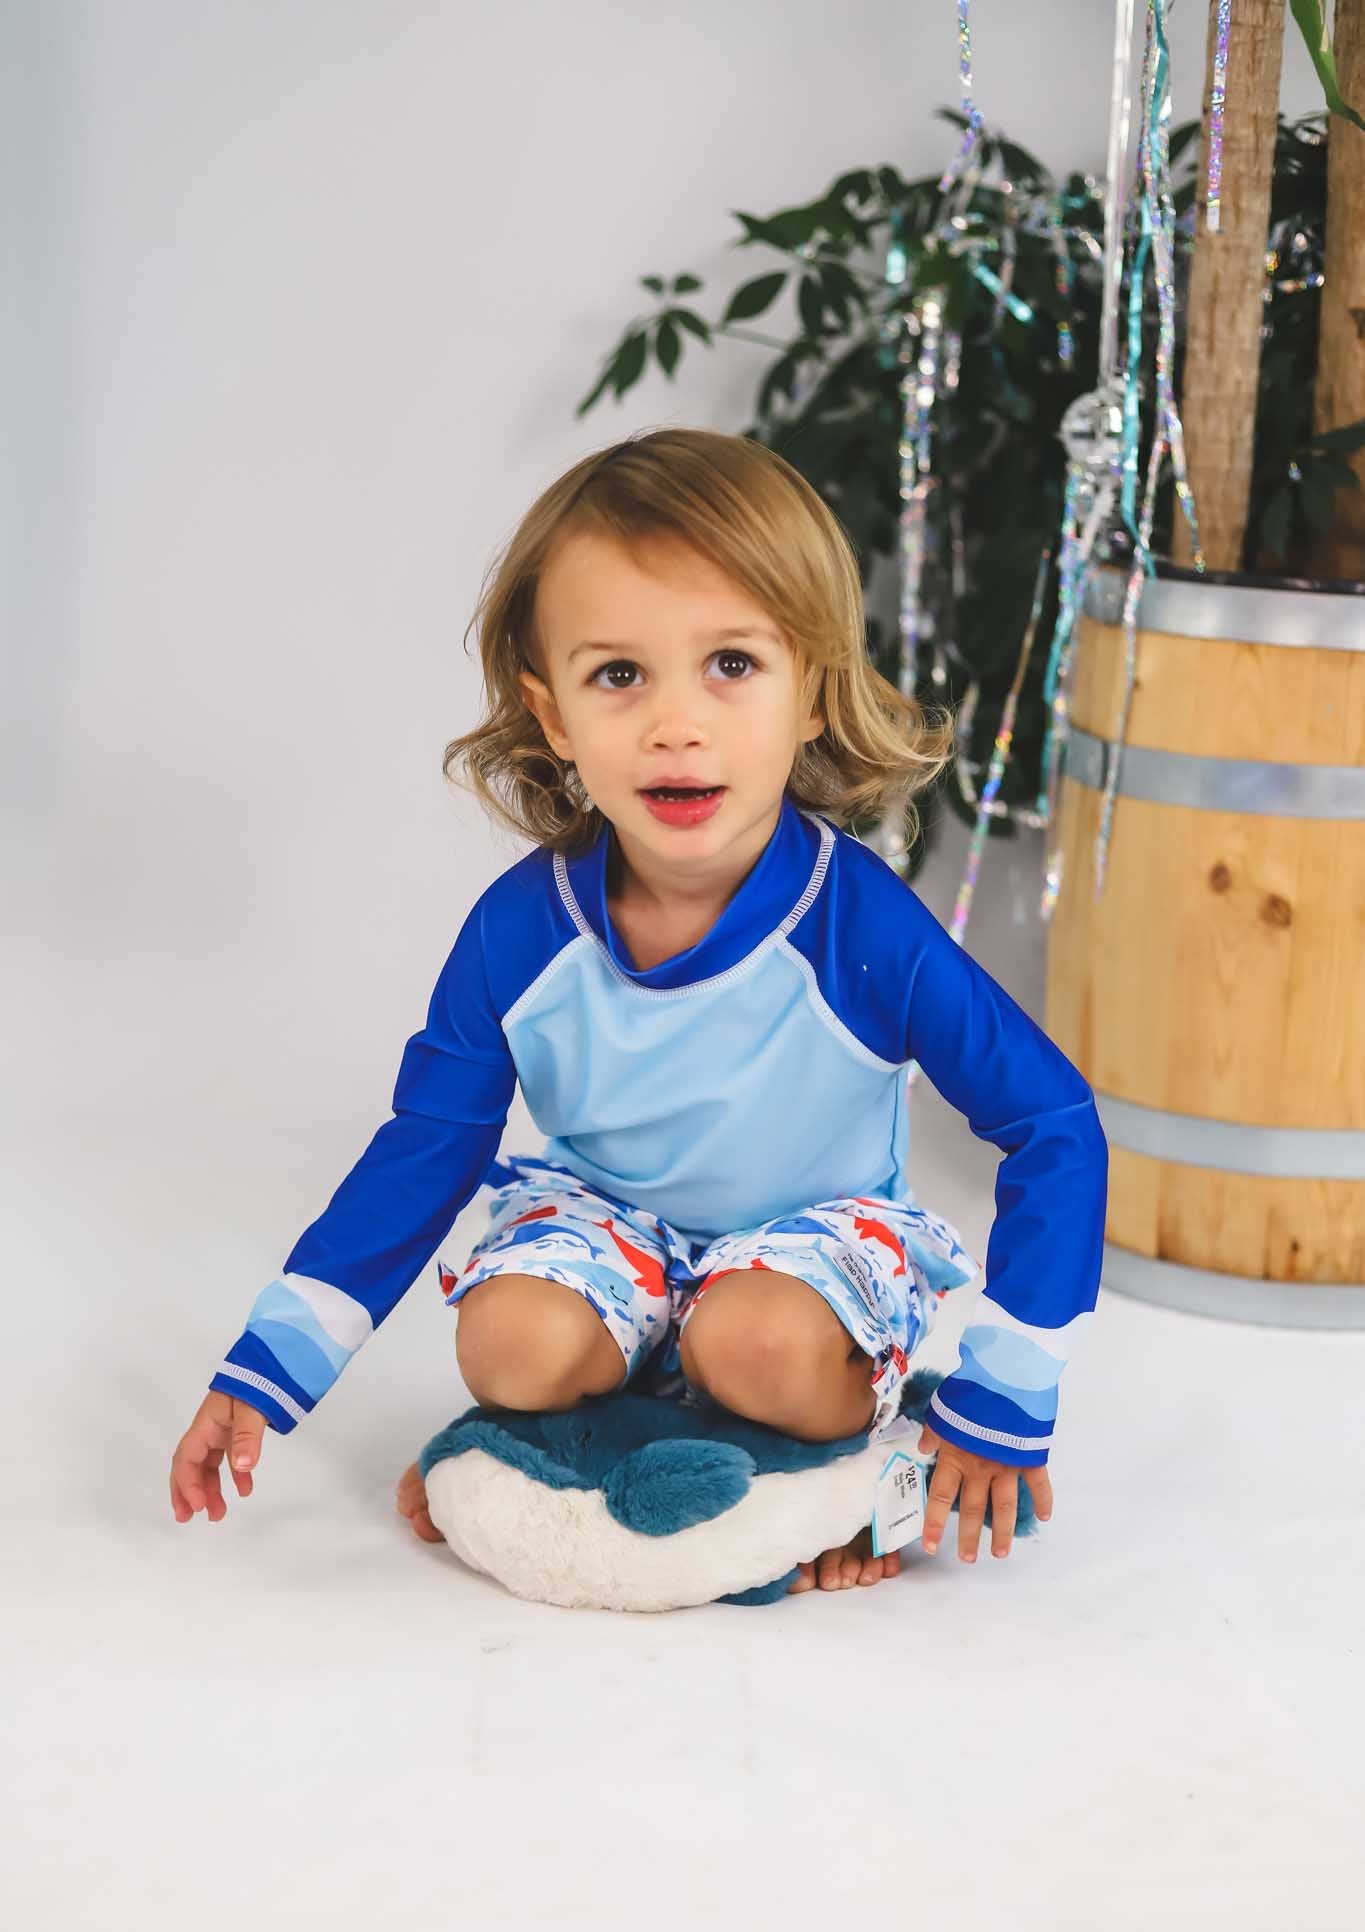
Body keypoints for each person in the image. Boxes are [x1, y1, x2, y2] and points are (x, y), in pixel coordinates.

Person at [169, 427, 1108, 1592]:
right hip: (611, 1228)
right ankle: (578, 1423)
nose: (676, 723)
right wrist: (266, 1369)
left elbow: (1054, 1123)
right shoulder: (520, 931)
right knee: (506, 1344)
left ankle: (842, 1471)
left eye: (731, 664)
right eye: (619, 674)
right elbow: (424, 1151)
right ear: (553, 713)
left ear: (814, 692)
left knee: (755, 1342)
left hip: (810, 1245)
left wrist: (1009, 1387)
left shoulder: (858, 924)